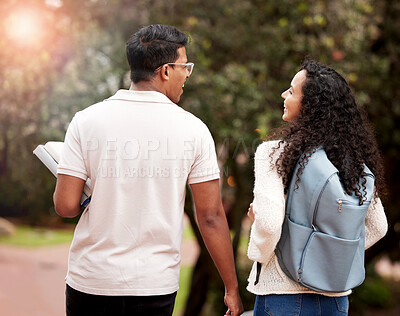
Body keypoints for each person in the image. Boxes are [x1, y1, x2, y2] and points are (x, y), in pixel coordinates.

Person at [53, 24, 243, 316]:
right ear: (165, 71)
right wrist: (231, 288)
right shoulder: (194, 129)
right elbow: (211, 216)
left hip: (91, 281)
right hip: (153, 285)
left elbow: (65, 206)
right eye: (185, 66)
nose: (188, 74)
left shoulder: (86, 120)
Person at [246, 60, 388, 315]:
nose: (284, 95)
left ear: (309, 105)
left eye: (290, 91)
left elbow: (268, 224)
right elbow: (379, 227)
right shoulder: (352, 161)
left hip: (282, 295)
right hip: (335, 300)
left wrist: (258, 252)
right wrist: (329, 254)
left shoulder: (273, 154)